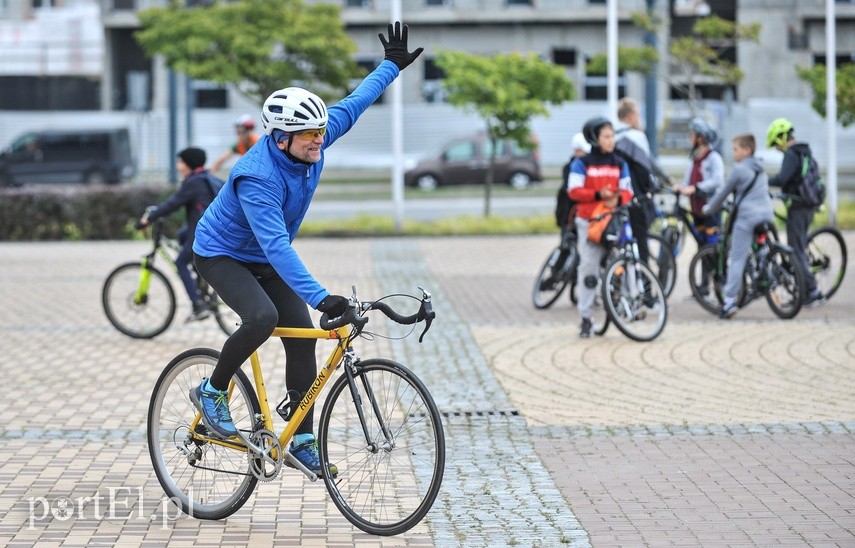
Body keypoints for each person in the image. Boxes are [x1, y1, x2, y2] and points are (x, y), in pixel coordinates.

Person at [189, 21, 423, 476]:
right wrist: (321, 295)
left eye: (320, 131)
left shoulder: (309, 140)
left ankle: (301, 439)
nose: (320, 138)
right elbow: (275, 245)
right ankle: (212, 390)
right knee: (262, 317)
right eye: (310, 135)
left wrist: (390, 67)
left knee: (301, 340)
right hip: (221, 253)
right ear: (281, 139)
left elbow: (353, 106)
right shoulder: (258, 176)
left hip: (262, 256)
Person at [568, 116, 633, 338]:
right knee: (589, 270)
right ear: (594, 138)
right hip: (591, 224)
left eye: (612, 135)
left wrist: (619, 199)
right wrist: (598, 195)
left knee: (623, 265)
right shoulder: (582, 163)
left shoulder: (619, 162)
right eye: (606, 136)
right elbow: (574, 191)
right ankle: (586, 318)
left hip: (613, 221)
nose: (611, 140)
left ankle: (624, 304)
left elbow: (628, 189)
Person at [139, 147, 217, 322]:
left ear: (189, 163)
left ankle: (198, 305)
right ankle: (199, 276)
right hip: (209, 232)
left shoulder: (193, 182)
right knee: (182, 235)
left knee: (180, 262)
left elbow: (172, 204)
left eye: (180, 162)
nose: (178, 166)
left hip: (203, 235)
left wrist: (148, 219)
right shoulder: (205, 177)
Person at [700, 134, 774, 318]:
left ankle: (729, 301)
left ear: (747, 150)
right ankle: (765, 271)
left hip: (748, 217)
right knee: (759, 247)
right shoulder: (761, 168)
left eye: (736, 149)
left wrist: (709, 209)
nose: (733, 153)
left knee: (737, 257)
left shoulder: (739, 170)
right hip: (766, 214)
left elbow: (723, 194)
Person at [766, 118, 825, 306]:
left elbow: (783, 179)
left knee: (796, 250)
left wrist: (761, 180)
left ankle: (812, 292)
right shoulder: (803, 152)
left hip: (799, 207)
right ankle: (805, 284)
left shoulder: (792, 154)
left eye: (776, 143)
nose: (776, 147)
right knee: (798, 246)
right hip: (806, 205)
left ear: (783, 138)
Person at [613, 97, 671, 263]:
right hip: (634, 196)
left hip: (613, 196)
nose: (639, 118)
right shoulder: (636, 136)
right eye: (638, 114)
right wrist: (653, 187)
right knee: (640, 239)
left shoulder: (611, 136)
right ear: (631, 115)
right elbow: (646, 166)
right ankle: (645, 284)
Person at [674, 117, 725, 294]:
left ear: (701, 138)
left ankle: (718, 283)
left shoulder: (714, 158)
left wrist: (695, 188)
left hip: (711, 209)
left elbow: (717, 181)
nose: (690, 138)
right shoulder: (693, 159)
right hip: (697, 210)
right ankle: (704, 286)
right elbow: (688, 181)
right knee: (701, 246)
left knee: (712, 247)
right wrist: (681, 187)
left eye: (693, 134)